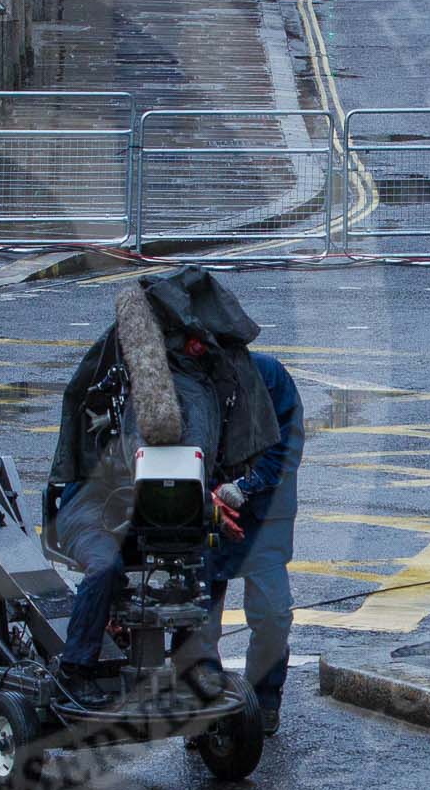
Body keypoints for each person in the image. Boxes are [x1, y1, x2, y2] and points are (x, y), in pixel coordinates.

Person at [48, 272, 280, 709]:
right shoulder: (136, 391)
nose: (201, 345)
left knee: (194, 566)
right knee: (104, 568)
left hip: (151, 513)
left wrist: (211, 508)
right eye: (194, 337)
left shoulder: (204, 388)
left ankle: (192, 668)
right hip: (94, 510)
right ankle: (74, 668)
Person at [208, 352, 303, 735]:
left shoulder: (269, 374)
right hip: (207, 512)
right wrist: (208, 498)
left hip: (263, 515)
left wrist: (246, 487)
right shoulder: (190, 377)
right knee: (199, 622)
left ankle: (263, 700)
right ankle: (203, 709)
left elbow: (288, 443)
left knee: (273, 615)